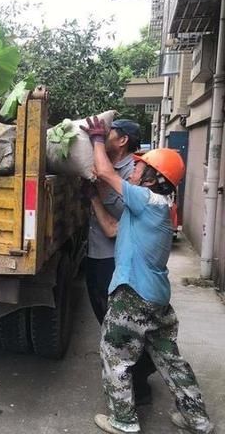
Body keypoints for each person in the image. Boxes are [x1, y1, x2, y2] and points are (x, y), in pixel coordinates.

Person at [83, 116, 214, 434]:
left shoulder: (148, 200)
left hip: (134, 295)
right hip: (156, 297)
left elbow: (104, 172)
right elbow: (112, 229)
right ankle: (197, 419)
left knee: (114, 353)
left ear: (155, 178)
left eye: (142, 166)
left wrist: (99, 139)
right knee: (170, 359)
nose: (135, 167)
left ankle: (123, 420)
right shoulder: (152, 206)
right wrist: (93, 200)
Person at [85, 119, 156, 404]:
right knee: (104, 317)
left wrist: (96, 142)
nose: (103, 136)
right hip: (95, 253)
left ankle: (138, 384)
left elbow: (114, 223)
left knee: (122, 327)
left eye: (109, 132)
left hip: (116, 260)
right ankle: (132, 373)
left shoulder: (135, 174)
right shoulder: (107, 167)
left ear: (122, 139)